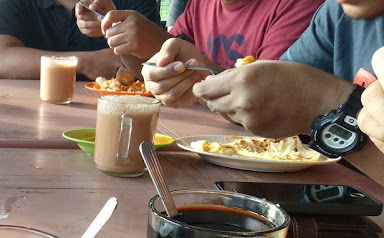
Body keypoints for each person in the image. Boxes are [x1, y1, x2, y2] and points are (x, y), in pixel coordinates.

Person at [142, 0, 384, 184]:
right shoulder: (336, 14)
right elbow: (268, 100)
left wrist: (325, 103)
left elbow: (295, 99)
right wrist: (202, 75)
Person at [76, 0, 321, 78]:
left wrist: (161, 45)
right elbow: (153, 74)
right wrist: (119, 32)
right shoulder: (202, 3)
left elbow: (267, 102)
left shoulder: (297, 6)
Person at [0, 0, 160, 80]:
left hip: (119, 117)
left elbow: (158, 66)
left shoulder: (137, 2)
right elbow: (1, 62)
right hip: (30, 114)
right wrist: (85, 62)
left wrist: (117, 29)